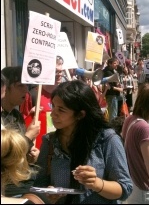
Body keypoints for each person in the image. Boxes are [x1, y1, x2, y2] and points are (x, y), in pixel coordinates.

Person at [34, 80, 133, 204]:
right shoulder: (49, 142)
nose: (53, 114)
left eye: (61, 110)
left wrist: (96, 183)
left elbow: (125, 188)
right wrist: (49, 193)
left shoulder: (107, 139)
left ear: (80, 114)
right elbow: (39, 184)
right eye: (53, 106)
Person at [1, 66, 40, 197]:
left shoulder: (17, 115)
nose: (26, 90)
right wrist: (28, 137)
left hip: (24, 180)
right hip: (9, 187)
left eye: (27, 85)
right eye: (20, 85)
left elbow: (21, 154)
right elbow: (6, 155)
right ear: (5, 88)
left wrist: (30, 156)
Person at [23, 55, 67, 149]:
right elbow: (22, 124)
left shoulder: (66, 96)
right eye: (56, 71)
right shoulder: (33, 95)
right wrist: (30, 115)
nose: (60, 74)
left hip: (60, 150)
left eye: (61, 71)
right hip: (39, 151)